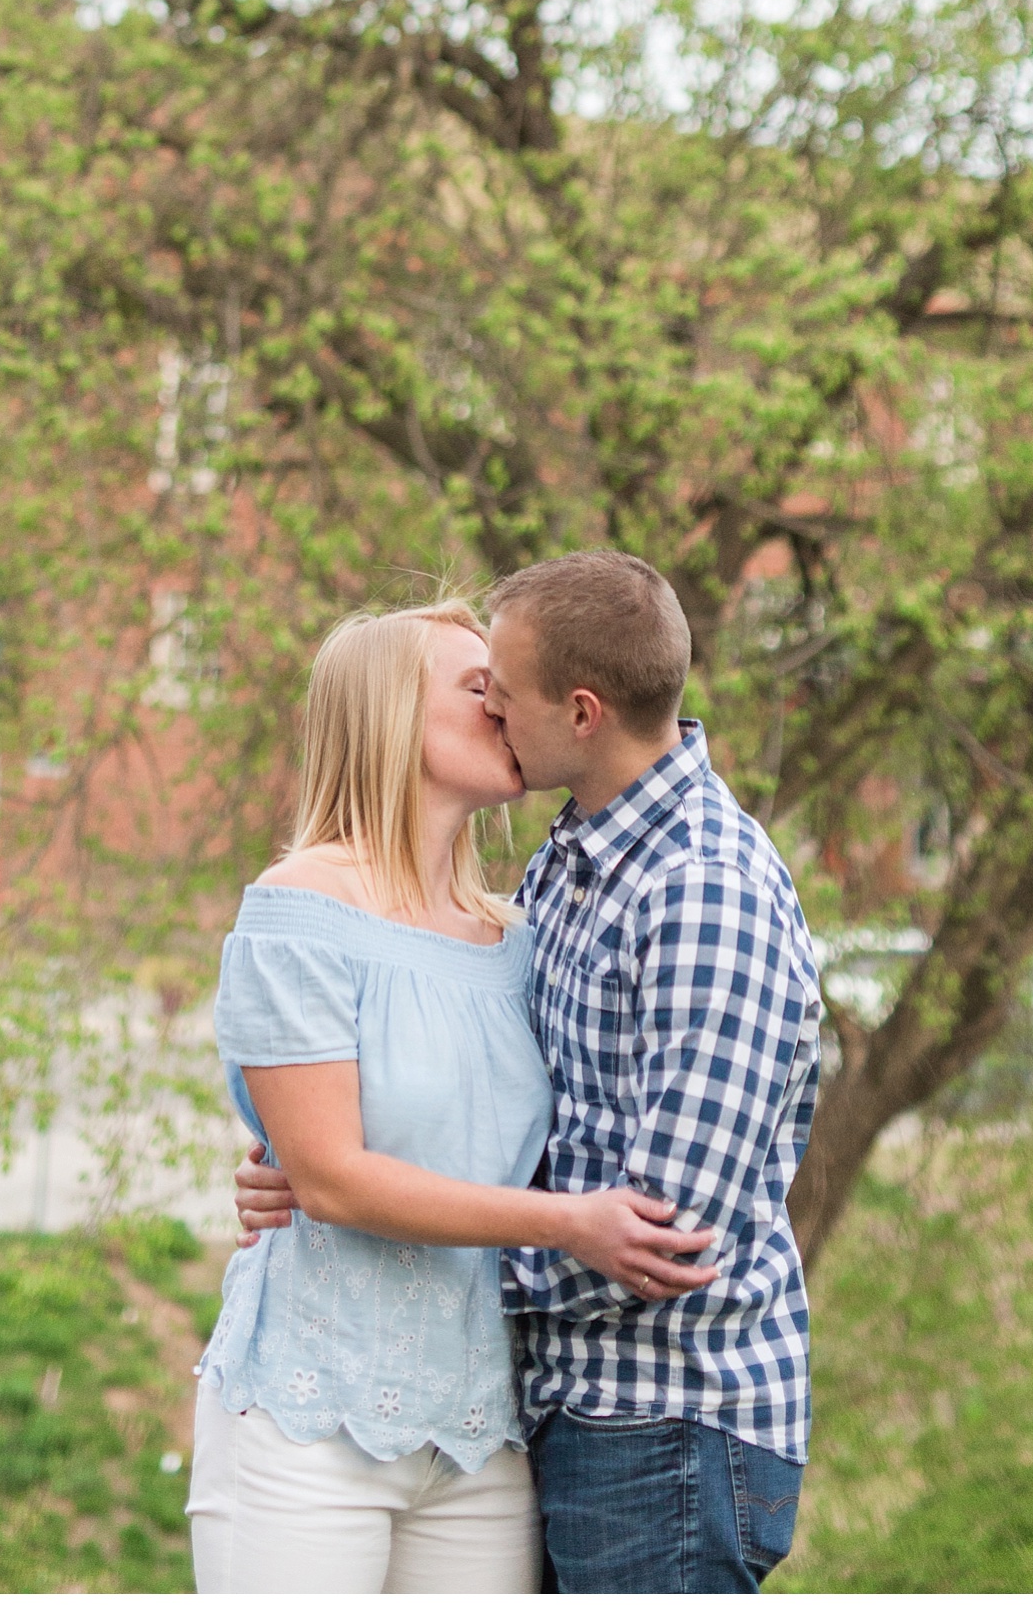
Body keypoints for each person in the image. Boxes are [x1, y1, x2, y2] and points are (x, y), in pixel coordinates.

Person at [237, 551, 823, 1594]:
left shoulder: (701, 890)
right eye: (477, 693)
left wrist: (364, 1213)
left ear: (583, 712)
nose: (496, 712)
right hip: (556, 1412)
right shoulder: (564, 869)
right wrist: (327, 1165)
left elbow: (662, 1230)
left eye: (500, 693)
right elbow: (502, 1131)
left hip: (665, 1420)